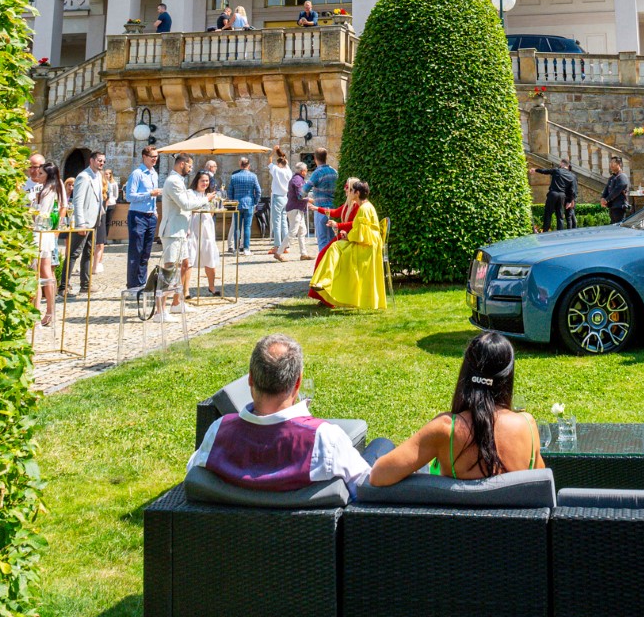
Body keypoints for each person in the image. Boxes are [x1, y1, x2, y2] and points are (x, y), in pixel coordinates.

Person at [187, 333, 392, 491]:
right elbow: (367, 488)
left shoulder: (218, 432)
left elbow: (193, 473)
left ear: (250, 378)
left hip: (230, 539)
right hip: (310, 542)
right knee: (382, 445)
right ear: (298, 383)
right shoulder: (324, 439)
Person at [370, 330, 544, 485]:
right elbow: (540, 484)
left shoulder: (446, 429)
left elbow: (378, 476)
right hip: (511, 522)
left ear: (467, 373)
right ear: (507, 378)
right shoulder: (528, 426)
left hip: (453, 522)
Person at [310, 180, 387, 311]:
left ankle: (326, 283)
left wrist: (347, 235)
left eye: (351, 190)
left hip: (366, 247)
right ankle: (324, 283)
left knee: (335, 248)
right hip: (365, 243)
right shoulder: (365, 206)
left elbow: (360, 233)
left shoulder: (363, 208)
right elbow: (360, 230)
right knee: (335, 247)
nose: (348, 191)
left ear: (357, 193)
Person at [158, 153, 212, 312]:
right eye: (189, 165)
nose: (191, 169)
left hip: (180, 230)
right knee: (169, 269)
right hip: (172, 230)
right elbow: (185, 204)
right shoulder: (173, 181)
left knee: (181, 265)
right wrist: (205, 199)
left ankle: (177, 303)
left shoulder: (178, 181)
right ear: (181, 164)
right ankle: (160, 311)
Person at [60, 149, 104, 297]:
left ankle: (85, 284)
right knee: (74, 253)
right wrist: (81, 223)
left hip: (94, 220)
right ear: (91, 161)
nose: (101, 163)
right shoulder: (84, 177)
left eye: (103, 161)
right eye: (99, 160)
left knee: (88, 253)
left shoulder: (97, 176)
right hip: (84, 221)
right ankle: (63, 286)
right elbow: (78, 201)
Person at [32, 160, 66, 327]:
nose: (38, 175)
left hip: (39, 233)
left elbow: (41, 214)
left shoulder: (48, 190)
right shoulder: (54, 187)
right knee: (46, 273)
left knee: (38, 273)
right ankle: (49, 312)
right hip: (46, 234)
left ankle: (37, 313)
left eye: (41, 173)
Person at [124, 144, 161, 292]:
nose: (155, 160)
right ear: (144, 157)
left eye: (156, 157)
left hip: (150, 215)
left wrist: (155, 210)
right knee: (136, 251)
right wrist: (149, 194)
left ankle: (142, 283)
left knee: (146, 252)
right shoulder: (137, 174)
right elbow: (129, 196)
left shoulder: (154, 174)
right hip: (137, 215)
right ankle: (133, 285)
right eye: (152, 157)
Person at [187, 169, 221, 296]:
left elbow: (212, 212)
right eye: (202, 181)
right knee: (189, 258)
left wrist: (212, 202)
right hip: (194, 226)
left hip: (207, 227)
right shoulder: (190, 193)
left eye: (207, 181)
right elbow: (190, 207)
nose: (205, 183)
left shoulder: (209, 195)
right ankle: (185, 290)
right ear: (197, 181)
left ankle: (212, 286)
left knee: (210, 256)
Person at [304, 148, 338, 251]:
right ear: (326, 157)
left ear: (315, 159)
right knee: (332, 239)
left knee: (322, 239)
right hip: (333, 209)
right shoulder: (334, 172)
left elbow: (305, 190)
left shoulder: (317, 173)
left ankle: (323, 264)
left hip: (320, 209)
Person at [227, 155, 263, 253]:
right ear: (249, 165)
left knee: (237, 228)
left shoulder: (234, 177)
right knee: (247, 227)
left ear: (240, 164)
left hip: (237, 204)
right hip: (249, 203)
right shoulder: (253, 176)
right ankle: (246, 248)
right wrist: (255, 202)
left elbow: (229, 191)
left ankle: (237, 248)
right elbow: (259, 191)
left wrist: (232, 201)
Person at [535, 157, 578, 232]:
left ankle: (545, 231)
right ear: (568, 166)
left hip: (553, 194)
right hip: (562, 196)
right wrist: (570, 201)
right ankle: (560, 233)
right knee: (560, 216)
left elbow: (545, 171)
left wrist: (536, 170)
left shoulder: (557, 170)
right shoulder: (571, 175)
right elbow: (572, 191)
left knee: (548, 213)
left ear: (562, 163)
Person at [268, 147, 293, 261]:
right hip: (285, 197)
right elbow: (285, 162)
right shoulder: (288, 171)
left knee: (276, 222)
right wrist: (280, 153)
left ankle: (277, 245)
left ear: (278, 163)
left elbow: (269, 160)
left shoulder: (276, 170)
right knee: (284, 222)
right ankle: (285, 245)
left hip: (277, 196)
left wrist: (273, 151)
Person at [94, 162, 118, 277]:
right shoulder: (99, 185)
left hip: (106, 208)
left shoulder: (111, 184)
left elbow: (113, 195)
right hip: (99, 212)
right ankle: (95, 264)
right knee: (97, 241)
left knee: (100, 239)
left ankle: (96, 263)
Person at [285, 159, 311, 260]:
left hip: (298, 208)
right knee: (293, 231)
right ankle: (279, 251)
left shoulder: (298, 179)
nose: (307, 172)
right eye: (306, 170)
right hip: (295, 209)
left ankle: (303, 254)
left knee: (302, 231)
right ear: (302, 171)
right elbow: (300, 196)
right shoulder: (297, 180)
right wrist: (310, 199)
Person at [600, 157, 630, 224]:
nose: (611, 165)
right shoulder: (612, 177)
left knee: (619, 227)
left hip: (619, 207)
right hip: (612, 206)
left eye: (613, 163)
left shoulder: (622, 177)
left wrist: (606, 200)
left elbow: (617, 190)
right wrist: (602, 198)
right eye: (610, 163)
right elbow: (606, 189)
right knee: (613, 227)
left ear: (619, 164)